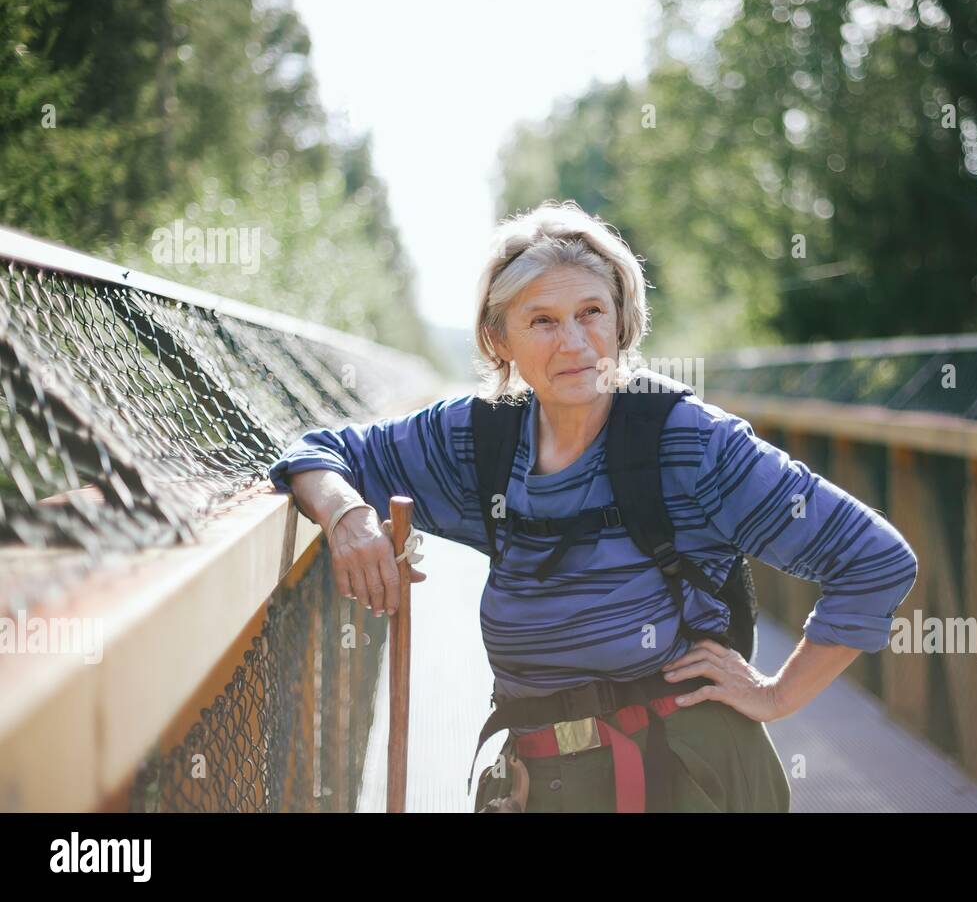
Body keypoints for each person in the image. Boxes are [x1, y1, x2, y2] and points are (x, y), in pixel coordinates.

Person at [267, 199, 919, 812]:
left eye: (591, 314)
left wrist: (777, 694)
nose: (574, 343)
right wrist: (349, 519)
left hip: (684, 773)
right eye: (542, 321)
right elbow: (319, 453)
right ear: (500, 341)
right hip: (543, 777)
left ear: (622, 321)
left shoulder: (689, 443)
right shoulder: (479, 437)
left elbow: (875, 560)